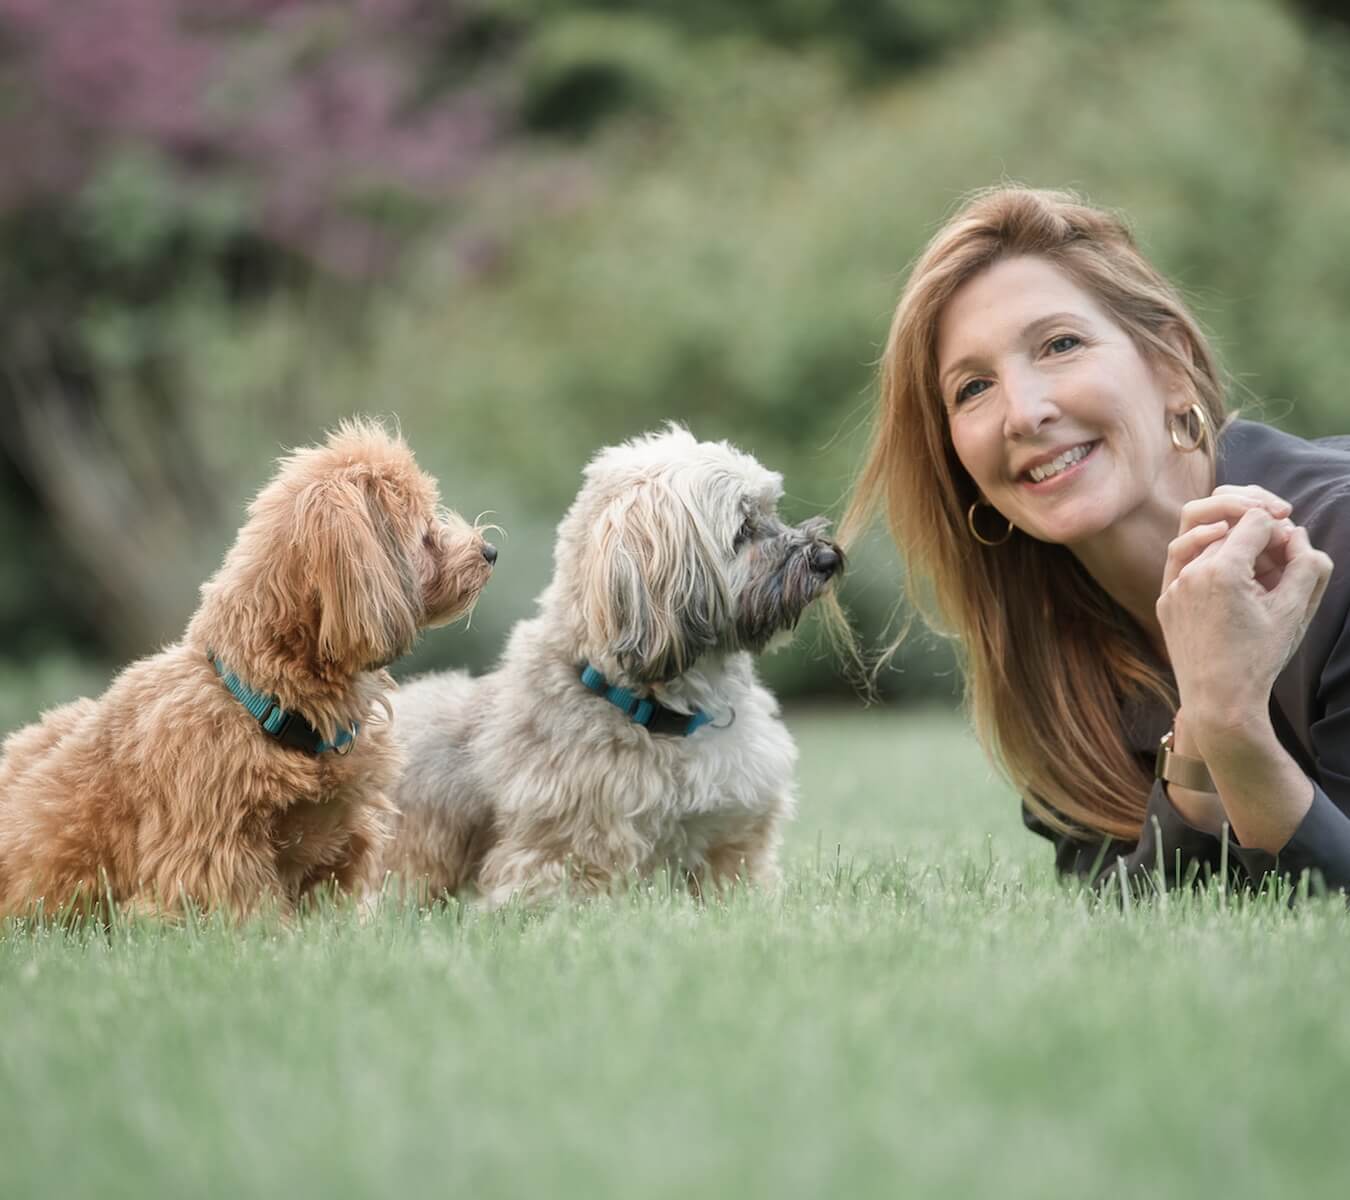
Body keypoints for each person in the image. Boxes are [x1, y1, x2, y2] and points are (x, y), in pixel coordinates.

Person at [841, 186, 1350, 892]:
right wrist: (1202, 727)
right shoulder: (1054, 652)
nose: (1023, 412)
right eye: (973, 388)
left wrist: (1227, 719)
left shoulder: (1340, 544)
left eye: (1060, 345)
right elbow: (1137, 923)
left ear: (1170, 366)